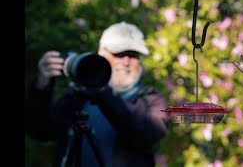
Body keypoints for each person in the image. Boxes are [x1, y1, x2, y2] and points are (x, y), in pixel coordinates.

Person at [25, 21, 169, 167]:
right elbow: (39, 130)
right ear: (101, 53)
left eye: (133, 55)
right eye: (119, 54)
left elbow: (148, 136)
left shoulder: (151, 100)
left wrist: (101, 90)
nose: (126, 62)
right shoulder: (79, 97)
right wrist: (41, 86)